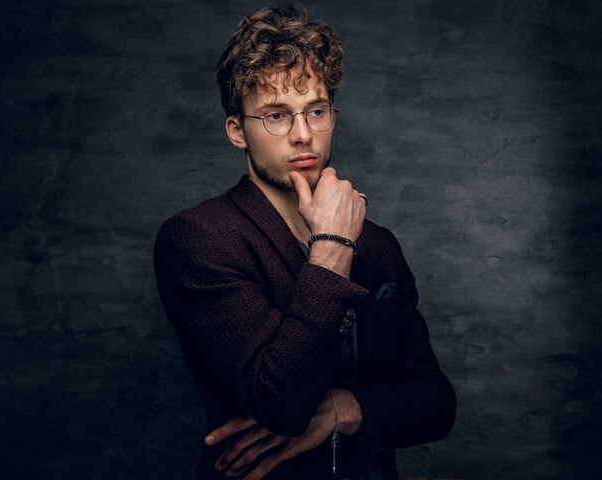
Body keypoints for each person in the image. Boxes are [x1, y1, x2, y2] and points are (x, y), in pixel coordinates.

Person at [153, 6, 456, 480]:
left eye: (316, 111)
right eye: (276, 115)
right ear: (237, 131)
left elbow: (436, 402)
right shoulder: (199, 239)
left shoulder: (378, 244)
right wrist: (332, 248)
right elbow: (280, 402)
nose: (302, 135)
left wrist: (349, 407)